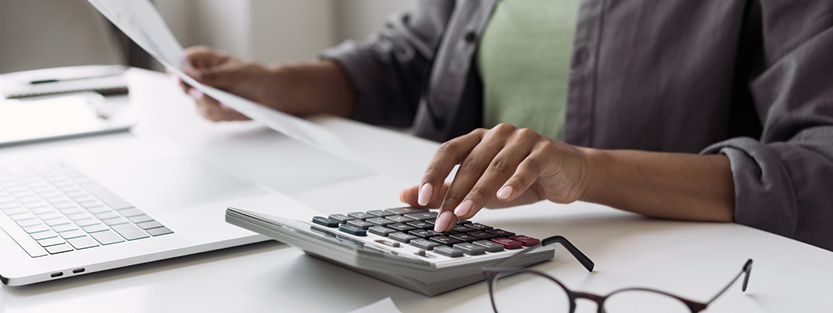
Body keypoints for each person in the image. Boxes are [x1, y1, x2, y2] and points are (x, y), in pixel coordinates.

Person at [176, 1, 833, 251]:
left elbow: (820, 166)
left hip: (643, 275)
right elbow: (406, 60)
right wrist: (274, 84)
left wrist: (584, 170)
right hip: (459, 249)